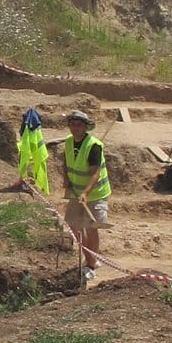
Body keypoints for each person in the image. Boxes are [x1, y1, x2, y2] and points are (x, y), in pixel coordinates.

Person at [62, 109, 110, 281]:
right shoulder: (68, 142)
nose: (75, 128)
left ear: (85, 127)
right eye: (72, 125)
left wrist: (86, 193)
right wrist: (65, 178)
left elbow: (95, 174)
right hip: (76, 192)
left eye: (79, 125)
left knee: (92, 227)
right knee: (73, 226)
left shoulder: (94, 146)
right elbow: (66, 162)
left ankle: (91, 264)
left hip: (95, 193)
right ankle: (91, 258)